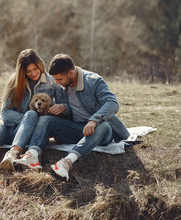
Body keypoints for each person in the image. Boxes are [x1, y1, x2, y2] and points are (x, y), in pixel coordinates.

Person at [14, 53, 130, 181]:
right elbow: (69, 111)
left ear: (70, 73)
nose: (56, 83)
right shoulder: (65, 86)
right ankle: (33, 156)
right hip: (77, 129)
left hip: (100, 131)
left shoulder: (93, 81)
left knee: (103, 125)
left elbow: (113, 103)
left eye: (59, 79)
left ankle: (67, 162)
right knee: (44, 119)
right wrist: (64, 107)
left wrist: (93, 120)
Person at [0, 49, 62, 188]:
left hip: (24, 132)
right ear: (22, 72)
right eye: (28, 71)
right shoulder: (15, 82)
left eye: (35, 68)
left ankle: (12, 153)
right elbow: (5, 113)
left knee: (31, 114)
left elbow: (60, 104)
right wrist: (25, 120)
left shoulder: (50, 82)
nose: (33, 73)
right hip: (6, 124)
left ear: (40, 64)